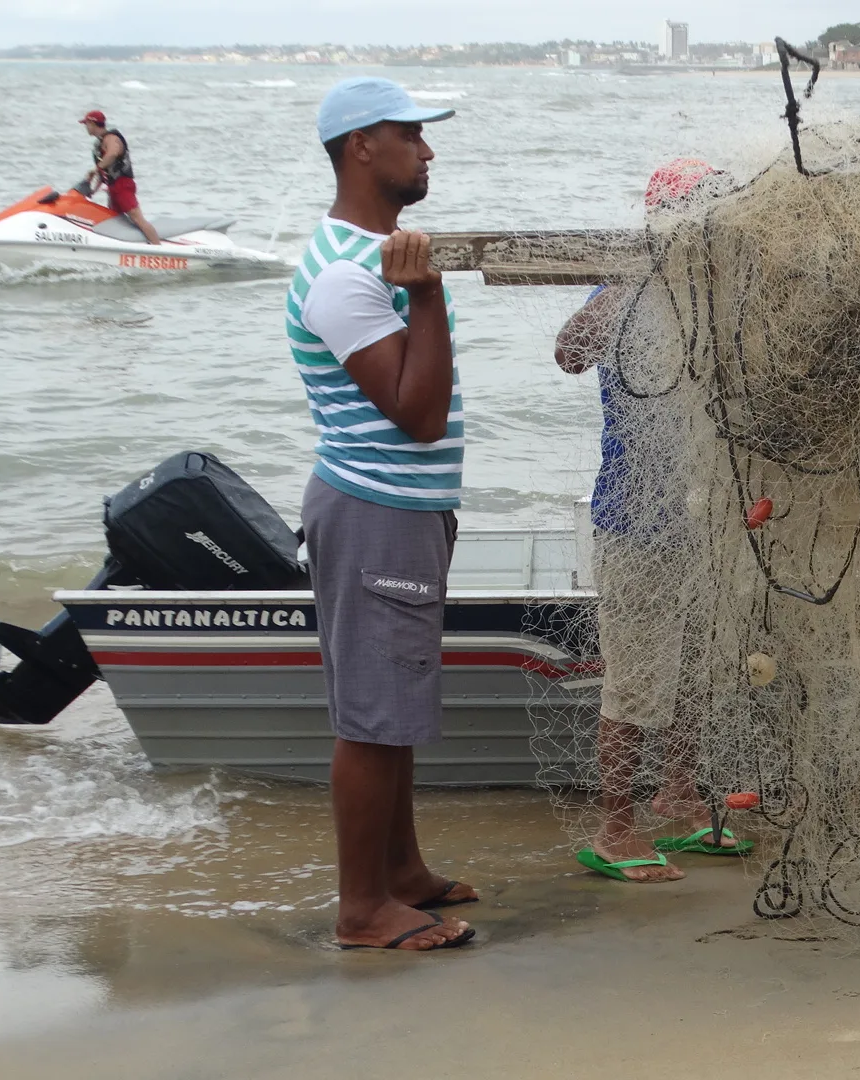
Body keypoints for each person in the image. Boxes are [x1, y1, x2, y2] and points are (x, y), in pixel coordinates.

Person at [288, 77, 474, 951]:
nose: (427, 151)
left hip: (398, 506)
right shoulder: (343, 273)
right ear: (362, 146)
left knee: (392, 697)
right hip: (372, 508)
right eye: (411, 135)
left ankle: (400, 873)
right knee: (372, 713)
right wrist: (429, 296)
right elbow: (419, 413)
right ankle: (362, 909)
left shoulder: (374, 254)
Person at [554, 160, 752, 883]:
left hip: (704, 525)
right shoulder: (625, 291)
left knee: (696, 671)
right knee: (635, 682)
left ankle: (679, 794)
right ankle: (615, 828)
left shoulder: (720, 296)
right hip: (633, 524)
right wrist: (624, 289)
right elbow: (567, 354)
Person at [79, 110, 164, 246]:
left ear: (93, 123)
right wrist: (91, 190)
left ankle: (158, 249)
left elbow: (112, 154)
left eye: (86, 124)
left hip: (123, 185)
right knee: (116, 221)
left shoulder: (111, 138)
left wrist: (95, 169)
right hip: (113, 188)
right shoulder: (99, 143)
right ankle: (125, 247)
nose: (85, 127)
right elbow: (104, 172)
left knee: (137, 218)